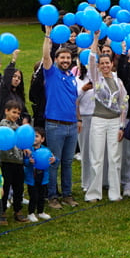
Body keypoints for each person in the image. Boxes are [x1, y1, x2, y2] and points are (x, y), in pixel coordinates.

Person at [80, 45, 128, 203]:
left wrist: (122, 126)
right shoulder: (96, 78)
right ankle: (94, 193)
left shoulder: (118, 81)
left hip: (115, 121)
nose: (105, 66)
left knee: (114, 158)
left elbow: (123, 104)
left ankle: (115, 193)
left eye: (108, 63)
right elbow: (91, 60)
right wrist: (94, 40)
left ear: (111, 64)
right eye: (103, 64)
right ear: (99, 67)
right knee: (97, 157)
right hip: (98, 121)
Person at [37, 34, 82, 202]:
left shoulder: (72, 77)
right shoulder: (52, 73)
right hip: (55, 125)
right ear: (56, 59)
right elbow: (45, 56)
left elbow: (74, 101)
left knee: (68, 162)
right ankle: (52, 196)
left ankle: (67, 194)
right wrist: (47, 36)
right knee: (54, 162)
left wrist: (79, 120)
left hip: (71, 126)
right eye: (62, 57)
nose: (65, 60)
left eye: (68, 58)